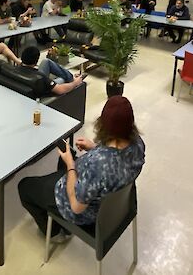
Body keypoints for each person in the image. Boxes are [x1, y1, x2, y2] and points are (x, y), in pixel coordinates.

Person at [18, 96, 145, 241]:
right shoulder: (138, 144)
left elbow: (76, 207)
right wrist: (94, 148)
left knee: (25, 186)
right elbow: (114, 162)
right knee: (65, 159)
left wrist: (71, 165)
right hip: (112, 200)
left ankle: (55, 233)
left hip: (85, 211)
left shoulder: (98, 164)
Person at [18, 46, 83, 96]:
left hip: (31, 80)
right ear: (36, 61)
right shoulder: (41, 78)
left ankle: (71, 77)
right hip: (45, 89)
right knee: (63, 79)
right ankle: (73, 79)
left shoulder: (17, 68)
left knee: (46, 61)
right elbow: (60, 90)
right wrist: (75, 83)